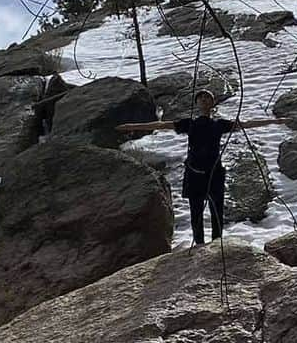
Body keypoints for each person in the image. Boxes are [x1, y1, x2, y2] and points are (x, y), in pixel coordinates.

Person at [117, 89, 279, 245]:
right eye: (201, 98)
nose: (204, 100)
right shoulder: (190, 124)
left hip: (214, 172)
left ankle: (217, 242)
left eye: (207, 97)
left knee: (217, 211)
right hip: (194, 173)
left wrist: (273, 121)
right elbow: (163, 125)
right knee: (196, 212)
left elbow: (246, 124)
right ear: (196, 103)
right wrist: (133, 126)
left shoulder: (219, 124)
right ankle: (199, 243)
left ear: (213, 103)